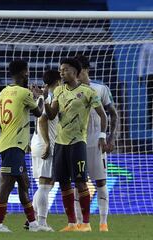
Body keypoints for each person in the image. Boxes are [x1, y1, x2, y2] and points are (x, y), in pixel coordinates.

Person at [43, 58, 107, 232]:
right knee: (63, 183)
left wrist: (102, 135)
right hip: (60, 143)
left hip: (78, 143)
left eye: (65, 69)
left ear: (75, 72)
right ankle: (72, 223)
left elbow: (103, 115)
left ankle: (85, 223)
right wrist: (44, 98)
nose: (61, 72)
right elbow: (51, 115)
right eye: (60, 69)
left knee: (80, 183)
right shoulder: (58, 91)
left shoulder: (88, 92)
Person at [0, 60, 48, 232]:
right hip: (14, 145)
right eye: (27, 71)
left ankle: (32, 223)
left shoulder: (2, 93)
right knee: (7, 183)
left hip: (8, 142)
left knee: (23, 183)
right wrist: (40, 96)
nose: (28, 74)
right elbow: (38, 112)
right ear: (24, 72)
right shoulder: (24, 93)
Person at [74, 55, 118, 232]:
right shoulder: (68, 90)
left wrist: (111, 138)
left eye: (78, 72)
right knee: (78, 183)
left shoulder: (100, 89)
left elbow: (112, 113)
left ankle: (103, 223)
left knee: (100, 182)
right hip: (76, 144)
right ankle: (80, 223)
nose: (76, 76)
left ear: (85, 70)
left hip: (97, 144)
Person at [30, 70, 61, 232]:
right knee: (44, 185)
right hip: (45, 143)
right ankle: (41, 223)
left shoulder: (44, 96)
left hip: (38, 143)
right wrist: (48, 143)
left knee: (48, 184)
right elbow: (42, 120)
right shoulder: (50, 97)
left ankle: (33, 220)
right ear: (58, 81)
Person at [137, 42, 153, 126]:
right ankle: (151, 120)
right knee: (151, 98)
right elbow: (141, 60)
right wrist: (139, 74)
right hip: (150, 75)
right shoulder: (146, 45)